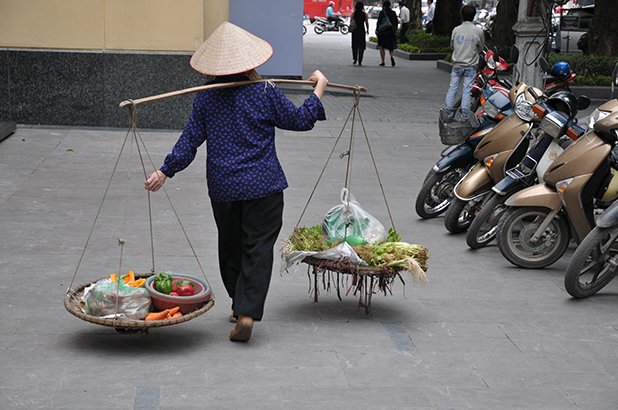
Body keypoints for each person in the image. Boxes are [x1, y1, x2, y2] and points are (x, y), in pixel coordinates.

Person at [144, 22, 328, 343]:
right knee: (258, 248)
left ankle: (237, 304)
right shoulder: (265, 91)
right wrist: (319, 88)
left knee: (231, 248)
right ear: (251, 63)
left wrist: (165, 171)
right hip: (264, 185)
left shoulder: (205, 99)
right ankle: (246, 311)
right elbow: (300, 121)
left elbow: (189, 142)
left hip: (224, 187)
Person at [443, 4, 484, 123]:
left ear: (462, 15)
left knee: (453, 89)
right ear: (474, 15)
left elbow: (452, 45)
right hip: (470, 66)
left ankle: (448, 113)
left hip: (457, 65)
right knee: (467, 91)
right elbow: (481, 48)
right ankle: (465, 116)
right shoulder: (478, 31)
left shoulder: (456, 30)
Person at [376, 1, 398, 67]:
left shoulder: (382, 13)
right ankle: (391, 56)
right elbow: (396, 22)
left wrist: (377, 30)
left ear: (384, 6)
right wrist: (394, 29)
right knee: (391, 46)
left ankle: (383, 61)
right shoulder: (393, 13)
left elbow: (379, 22)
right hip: (391, 32)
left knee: (381, 46)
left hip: (383, 32)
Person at [350, 1, 369, 66]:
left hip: (355, 31)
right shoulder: (364, 14)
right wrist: (368, 29)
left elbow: (351, 21)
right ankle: (360, 60)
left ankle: (355, 58)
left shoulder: (353, 14)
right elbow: (366, 22)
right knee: (361, 46)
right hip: (361, 31)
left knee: (354, 45)